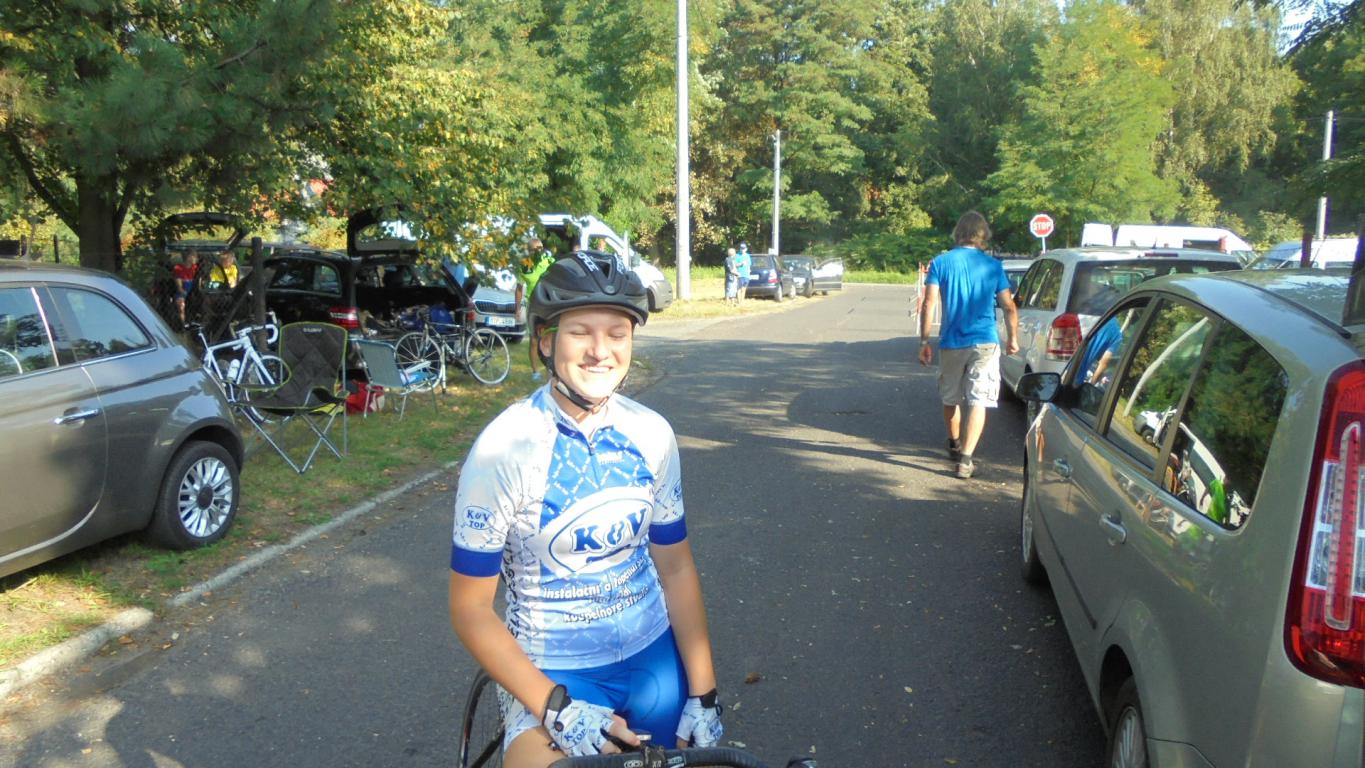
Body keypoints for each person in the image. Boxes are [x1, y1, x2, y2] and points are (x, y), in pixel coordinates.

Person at [448, 251, 723, 768]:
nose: (601, 351)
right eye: (581, 333)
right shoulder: (502, 450)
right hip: (552, 671)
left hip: (653, 662)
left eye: (617, 334)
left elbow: (676, 567)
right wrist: (555, 706)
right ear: (545, 341)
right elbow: (470, 610)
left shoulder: (652, 434)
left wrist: (704, 693)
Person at [917, 211, 1018, 479]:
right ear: (983, 235)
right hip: (985, 340)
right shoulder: (993, 266)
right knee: (979, 399)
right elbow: (1009, 306)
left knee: (950, 397)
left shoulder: (941, 262)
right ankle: (965, 460)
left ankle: (954, 443)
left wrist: (924, 340)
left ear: (958, 232)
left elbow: (929, 303)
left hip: (952, 341)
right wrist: (1013, 338)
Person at [172, 250, 200, 325]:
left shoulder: (194, 267)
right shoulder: (178, 268)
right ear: (188, 257)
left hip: (190, 292)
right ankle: (182, 325)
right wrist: (183, 291)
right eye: (194, 256)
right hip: (181, 293)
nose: (196, 258)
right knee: (181, 307)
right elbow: (180, 288)